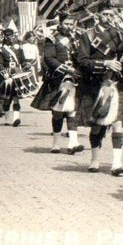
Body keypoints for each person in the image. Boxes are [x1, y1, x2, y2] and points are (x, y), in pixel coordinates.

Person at [76, 4, 123, 174]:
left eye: (111, 15)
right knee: (97, 125)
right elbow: (82, 61)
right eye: (105, 14)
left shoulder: (120, 35)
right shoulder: (87, 35)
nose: (109, 17)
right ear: (98, 15)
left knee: (117, 122)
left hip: (115, 83)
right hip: (96, 83)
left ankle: (117, 163)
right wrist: (105, 63)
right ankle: (95, 159)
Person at [31, 14, 84, 154]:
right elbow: (49, 59)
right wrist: (67, 69)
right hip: (58, 79)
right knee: (58, 112)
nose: (69, 26)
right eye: (66, 24)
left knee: (72, 110)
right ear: (60, 24)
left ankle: (73, 142)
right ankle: (56, 143)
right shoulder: (52, 38)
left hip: (75, 79)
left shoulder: (76, 39)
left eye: (72, 24)